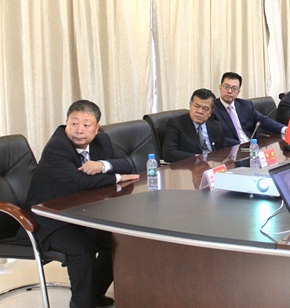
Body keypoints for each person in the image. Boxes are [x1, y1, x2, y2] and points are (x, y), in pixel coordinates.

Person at [22, 100, 139, 308]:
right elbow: (80, 182)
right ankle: (81, 303)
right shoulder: (57, 146)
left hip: (80, 213)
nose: (79, 130)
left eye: (86, 125)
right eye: (74, 123)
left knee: (116, 241)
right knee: (82, 250)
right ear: (66, 123)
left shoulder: (102, 141)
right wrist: (117, 178)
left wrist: (102, 165)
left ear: (97, 127)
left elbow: (127, 164)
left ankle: (94, 294)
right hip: (48, 219)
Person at [212, 72, 286, 146]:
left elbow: (263, 120)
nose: (229, 91)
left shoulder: (245, 105)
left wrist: (284, 129)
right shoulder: (212, 109)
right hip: (232, 149)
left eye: (234, 88)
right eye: (226, 87)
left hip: (253, 146)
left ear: (238, 92)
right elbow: (217, 137)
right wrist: (242, 145)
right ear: (220, 88)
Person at [162, 88, 226, 163]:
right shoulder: (176, 124)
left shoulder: (217, 126)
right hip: (190, 167)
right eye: (196, 106)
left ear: (211, 112)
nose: (200, 111)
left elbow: (223, 152)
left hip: (214, 166)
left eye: (205, 109)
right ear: (190, 105)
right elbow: (168, 153)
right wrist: (197, 158)